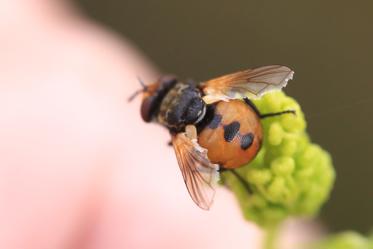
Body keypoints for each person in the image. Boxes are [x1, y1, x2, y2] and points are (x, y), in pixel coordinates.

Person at [0, 1, 317, 248]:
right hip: (242, 123)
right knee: (236, 104)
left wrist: (230, 176)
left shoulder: (179, 139)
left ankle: (243, 168)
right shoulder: (209, 88)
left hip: (230, 150)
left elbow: (200, 175)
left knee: (220, 160)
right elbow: (247, 87)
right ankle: (260, 125)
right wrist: (262, 118)